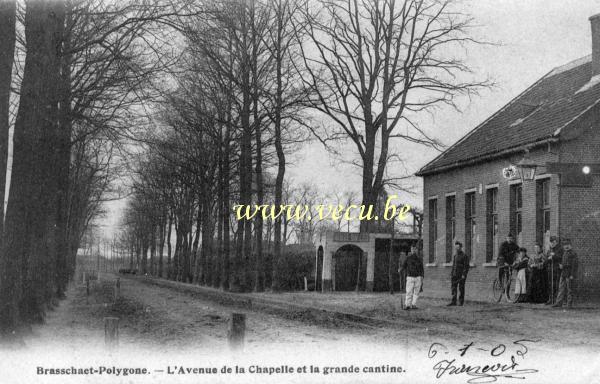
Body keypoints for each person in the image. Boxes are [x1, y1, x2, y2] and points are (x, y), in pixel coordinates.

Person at [553, 239, 578, 309]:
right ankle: (558, 303)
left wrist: (572, 275)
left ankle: (569, 304)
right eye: (565, 245)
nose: (566, 246)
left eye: (567, 245)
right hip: (563, 273)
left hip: (569, 274)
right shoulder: (565, 253)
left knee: (569, 289)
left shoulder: (573, 254)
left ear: (570, 245)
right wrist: (561, 266)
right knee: (561, 288)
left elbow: (574, 265)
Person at [399, 244, 424, 310]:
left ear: (416, 250)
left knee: (416, 292)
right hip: (410, 277)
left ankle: (414, 304)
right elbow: (404, 266)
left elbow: (421, 268)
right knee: (409, 291)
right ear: (411, 250)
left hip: (418, 277)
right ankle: (407, 305)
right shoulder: (408, 258)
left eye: (414, 249)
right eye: (412, 249)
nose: (413, 250)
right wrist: (400, 269)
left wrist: (422, 276)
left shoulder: (419, 259)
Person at [447, 241, 469, 306]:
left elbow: (466, 266)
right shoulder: (455, 256)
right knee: (453, 288)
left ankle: (461, 302)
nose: (456, 248)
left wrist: (464, 275)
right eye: (456, 247)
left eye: (458, 247)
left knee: (461, 288)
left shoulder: (464, 256)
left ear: (460, 247)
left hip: (461, 275)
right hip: (454, 274)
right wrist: (452, 273)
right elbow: (454, 265)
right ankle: (453, 301)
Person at [545, 236, 563, 305]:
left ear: (556, 242)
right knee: (550, 284)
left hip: (557, 269)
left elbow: (561, 257)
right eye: (551, 242)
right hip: (550, 269)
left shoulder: (560, 249)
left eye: (553, 242)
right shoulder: (549, 250)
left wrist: (554, 256)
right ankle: (550, 299)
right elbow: (546, 260)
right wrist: (549, 258)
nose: (552, 244)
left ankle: (556, 299)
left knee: (556, 284)